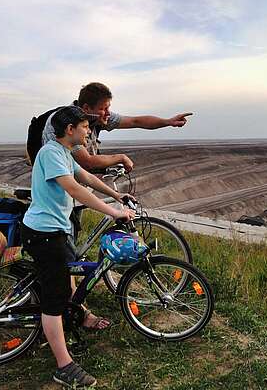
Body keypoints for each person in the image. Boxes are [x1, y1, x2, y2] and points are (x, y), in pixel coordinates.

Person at [21, 105, 135, 387]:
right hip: (44, 234)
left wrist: (117, 196)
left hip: (56, 231)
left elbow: (89, 179)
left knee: (69, 281)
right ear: (70, 129)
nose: (88, 132)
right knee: (54, 299)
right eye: (84, 127)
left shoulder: (64, 152)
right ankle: (64, 366)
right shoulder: (50, 152)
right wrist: (113, 212)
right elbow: (74, 189)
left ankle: (79, 316)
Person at [42, 82, 192, 172]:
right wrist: (120, 158)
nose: (107, 113)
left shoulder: (95, 117)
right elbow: (87, 161)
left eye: (108, 108)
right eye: (103, 108)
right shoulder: (68, 124)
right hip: (56, 182)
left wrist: (168, 122)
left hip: (74, 178)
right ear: (86, 108)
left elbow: (135, 121)